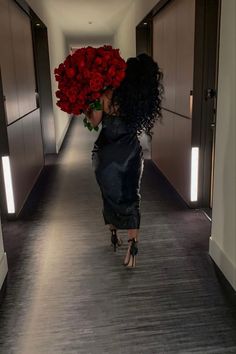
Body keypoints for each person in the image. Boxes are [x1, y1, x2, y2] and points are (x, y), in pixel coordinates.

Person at [86, 53, 162, 268]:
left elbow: (93, 122)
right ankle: (132, 248)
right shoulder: (141, 100)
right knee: (131, 198)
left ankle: (113, 236)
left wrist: (86, 104)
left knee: (108, 195)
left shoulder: (107, 95)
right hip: (129, 155)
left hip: (104, 155)